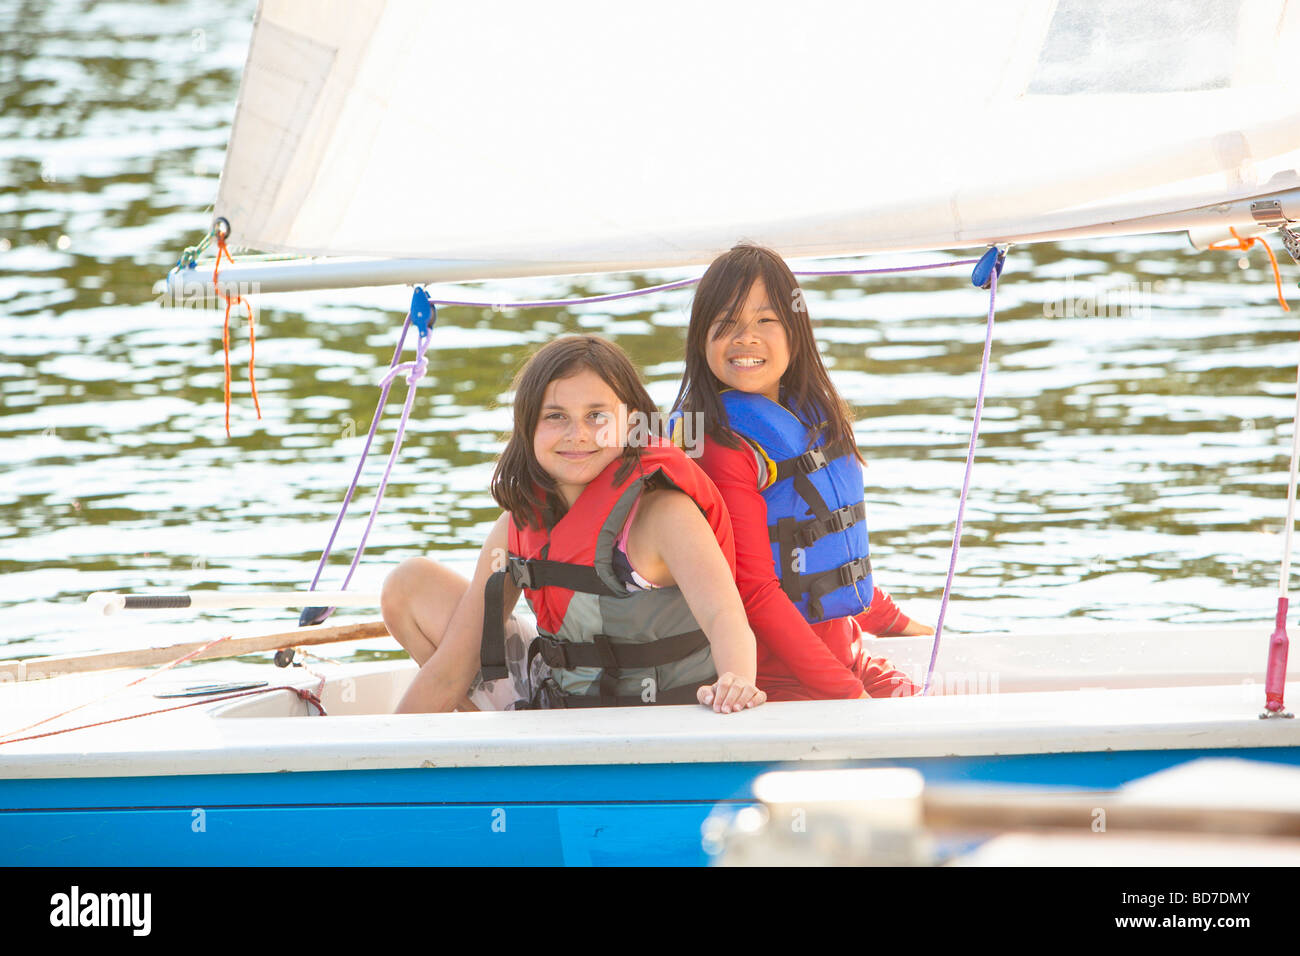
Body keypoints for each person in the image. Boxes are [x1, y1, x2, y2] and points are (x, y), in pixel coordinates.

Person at [382, 335, 766, 714]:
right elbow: (451, 672)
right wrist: (388, 746)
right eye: (556, 416)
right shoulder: (515, 525)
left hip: (663, 713)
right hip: (559, 705)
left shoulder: (665, 515)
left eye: (596, 416)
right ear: (528, 425)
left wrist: (735, 680)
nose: (577, 434)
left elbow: (724, 617)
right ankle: (492, 748)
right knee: (409, 585)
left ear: (633, 423)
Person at [670, 243, 931, 701]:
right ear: (700, 338)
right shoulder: (719, 445)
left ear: (796, 330)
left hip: (846, 654)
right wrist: (850, 695)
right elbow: (755, 592)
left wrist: (899, 625)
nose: (746, 338)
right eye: (726, 323)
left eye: (765, 320)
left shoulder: (810, 416)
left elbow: (833, 556)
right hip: (778, 681)